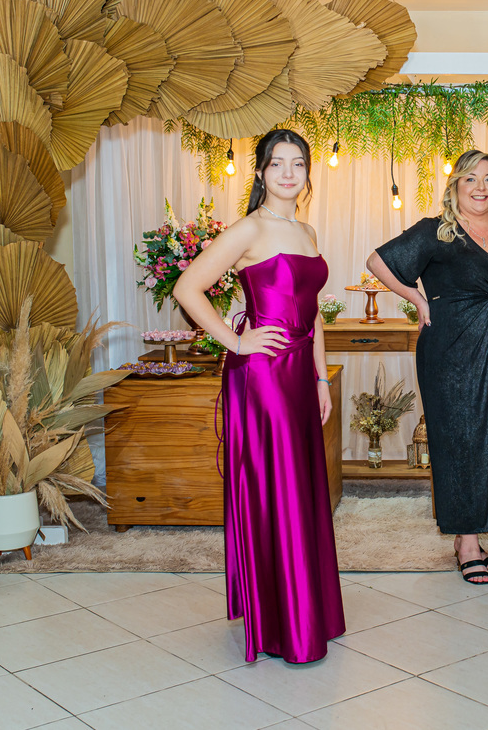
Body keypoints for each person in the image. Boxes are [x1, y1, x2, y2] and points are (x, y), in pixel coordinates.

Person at [173, 129, 344, 663]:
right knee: (279, 486)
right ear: (261, 173)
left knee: (301, 486)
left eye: (298, 163)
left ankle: (305, 610)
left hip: (300, 373)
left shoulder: (306, 230)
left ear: (308, 173)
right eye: (277, 163)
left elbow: (313, 315)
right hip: (263, 375)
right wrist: (236, 341)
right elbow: (186, 288)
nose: (288, 173)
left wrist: (321, 379)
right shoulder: (249, 228)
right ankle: (284, 624)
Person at [366, 149, 488, 585]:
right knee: (460, 441)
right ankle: (468, 544)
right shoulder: (438, 230)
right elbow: (377, 261)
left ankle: (472, 534)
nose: (480, 187)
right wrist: (416, 298)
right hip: (451, 353)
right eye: (470, 178)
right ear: (455, 186)